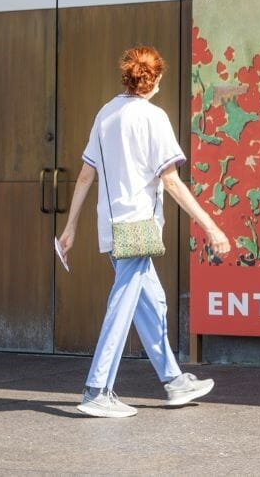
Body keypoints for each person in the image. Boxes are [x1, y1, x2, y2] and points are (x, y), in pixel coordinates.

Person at [56, 46, 231, 419]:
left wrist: (70, 227)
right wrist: (212, 226)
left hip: (113, 225)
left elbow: (87, 174)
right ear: (156, 79)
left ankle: (174, 381)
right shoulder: (153, 117)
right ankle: (96, 389)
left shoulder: (105, 114)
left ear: (127, 77)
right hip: (138, 224)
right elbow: (171, 181)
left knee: (151, 304)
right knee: (123, 305)